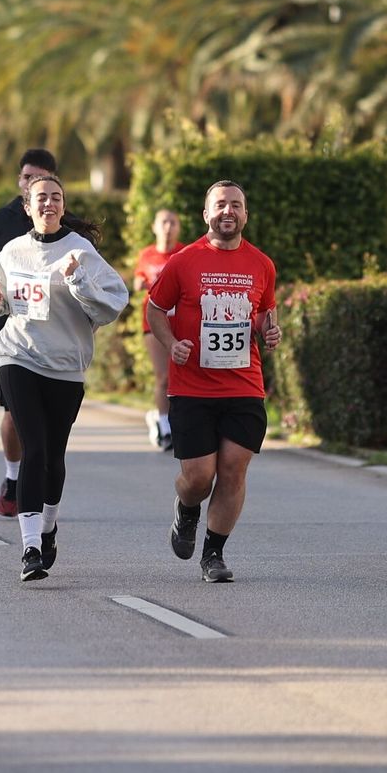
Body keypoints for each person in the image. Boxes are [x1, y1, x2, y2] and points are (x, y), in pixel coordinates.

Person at [0, 174, 128, 581]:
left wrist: (78, 279)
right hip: (18, 357)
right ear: (27, 206)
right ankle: (28, 549)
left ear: (63, 206)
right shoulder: (13, 251)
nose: (48, 204)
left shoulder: (80, 250)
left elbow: (113, 304)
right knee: (35, 449)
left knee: (54, 457)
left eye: (55, 198)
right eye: (40, 198)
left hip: (65, 367)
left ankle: (47, 528)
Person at [147, 180, 282, 584]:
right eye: (220, 205)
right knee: (199, 478)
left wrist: (269, 332)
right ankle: (186, 509)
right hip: (192, 387)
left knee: (234, 470)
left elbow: (264, 313)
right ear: (206, 214)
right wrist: (172, 344)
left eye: (236, 205)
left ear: (245, 215)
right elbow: (155, 309)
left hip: (243, 385)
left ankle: (214, 554)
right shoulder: (184, 261)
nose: (228, 212)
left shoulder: (262, 264)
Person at [0, 148, 59, 516]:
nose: (30, 185)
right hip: (7, 333)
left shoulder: (63, 221)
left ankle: (46, 479)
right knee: (15, 409)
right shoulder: (1, 220)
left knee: (50, 415)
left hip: (53, 335)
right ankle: (15, 478)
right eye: (25, 178)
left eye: (38, 178)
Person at [133, 209, 184, 451]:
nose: (168, 227)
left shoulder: (185, 253)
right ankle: (164, 428)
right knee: (163, 376)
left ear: (179, 227)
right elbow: (137, 282)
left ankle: (178, 423)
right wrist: (140, 284)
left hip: (181, 322)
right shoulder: (146, 255)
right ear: (154, 226)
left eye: (173, 222)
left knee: (182, 376)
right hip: (154, 321)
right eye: (163, 222)